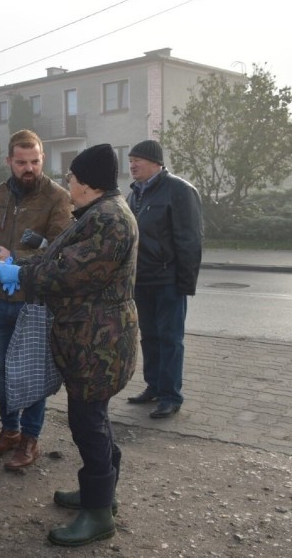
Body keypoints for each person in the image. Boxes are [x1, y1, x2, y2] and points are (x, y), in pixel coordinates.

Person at [0, 143, 139, 547]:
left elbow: (71, 272)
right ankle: (101, 494)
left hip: (98, 340)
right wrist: (21, 267)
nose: (68, 182)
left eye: (72, 176)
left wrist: (19, 274)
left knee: (88, 423)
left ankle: (100, 513)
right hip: (89, 336)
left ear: (86, 182)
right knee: (92, 420)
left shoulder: (109, 219)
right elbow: (55, 259)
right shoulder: (97, 214)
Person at [0, 129, 73, 471]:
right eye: (22, 162)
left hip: (36, 301)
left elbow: (59, 249)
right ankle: (9, 429)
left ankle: (29, 439)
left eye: (35, 161)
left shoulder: (58, 197)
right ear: (9, 161)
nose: (29, 168)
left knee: (31, 373)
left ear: (42, 159)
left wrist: (16, 256)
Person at [125, 140, 203, 419]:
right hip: (142, 281)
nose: (132, 165)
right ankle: (154, 387)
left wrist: (185, 283)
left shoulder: (179, 191)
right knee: (150, 337)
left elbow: (190, 240)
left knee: (171, 339)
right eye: (130, 159)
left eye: (138, 160)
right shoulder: (135, 194)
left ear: (156, 163)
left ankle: (171, 396)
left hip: (168, 281)